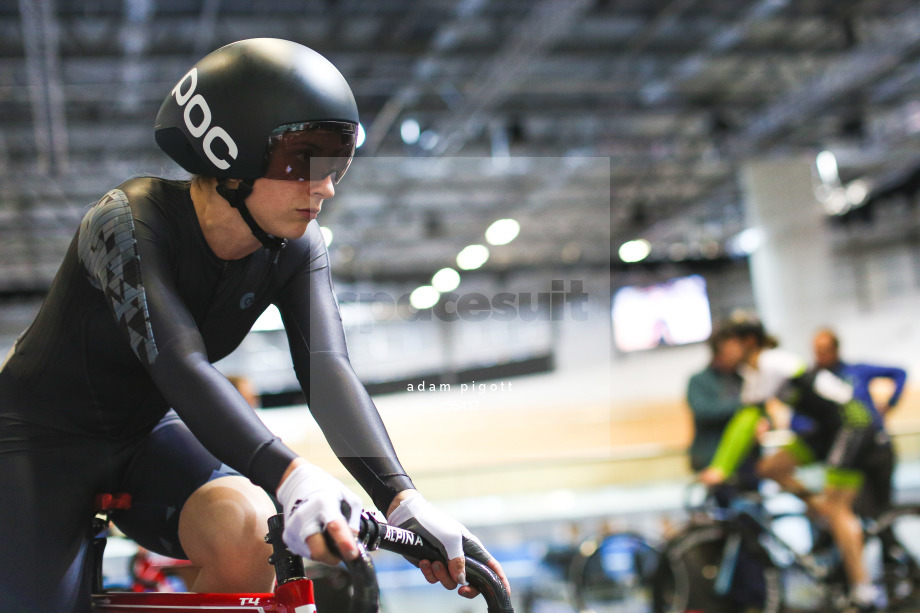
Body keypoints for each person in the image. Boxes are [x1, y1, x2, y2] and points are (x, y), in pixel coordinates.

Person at [0, 38, 508, 611]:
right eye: (304, 160)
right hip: (34, 440)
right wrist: (291, 475)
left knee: (248, 538)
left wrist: (401, 499)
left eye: (338, 163)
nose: (326, 186)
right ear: (226, 155)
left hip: (146, 435)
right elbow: (179, 362)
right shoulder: (127, 221)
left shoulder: (295, 247)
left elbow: (327, 370)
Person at [700, 319, 886, 611]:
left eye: (726, 344)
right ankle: (823, 512)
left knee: (840, 508)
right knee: (769, 469)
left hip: (852, 425)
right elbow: (748, 421)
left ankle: (865, 592)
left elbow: (746, 420)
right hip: (826, 428)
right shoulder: (756, 369)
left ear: (748, 341)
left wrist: (720, 468)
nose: (721, 351)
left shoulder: (770, 362)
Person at [810, 328, 906, 515]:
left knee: (883, 507)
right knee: (856, 508)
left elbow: (900, 372)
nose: (820, 355)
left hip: (878, 446)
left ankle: (889, 542)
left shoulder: (855, 371)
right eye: (816, 350)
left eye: (824, 349)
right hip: (849, 454)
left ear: (835, 349)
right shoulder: (814, 381)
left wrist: (889, 403)